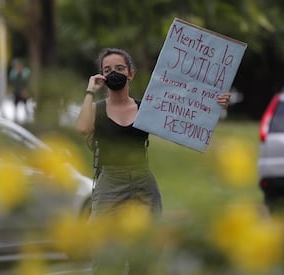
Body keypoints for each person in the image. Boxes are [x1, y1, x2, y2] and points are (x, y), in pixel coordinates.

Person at [75, 48, 231, 275]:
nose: (114, 73)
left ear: (131, 74)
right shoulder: (97, 110)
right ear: (101, 76)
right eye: (107, 70)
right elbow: (82, 128)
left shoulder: (146, 108)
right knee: (106, 255)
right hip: (110, 183)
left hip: (143, 183)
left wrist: (216, 104)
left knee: (145, 256)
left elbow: (187, 117)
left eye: (119, 68)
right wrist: (90, 90)